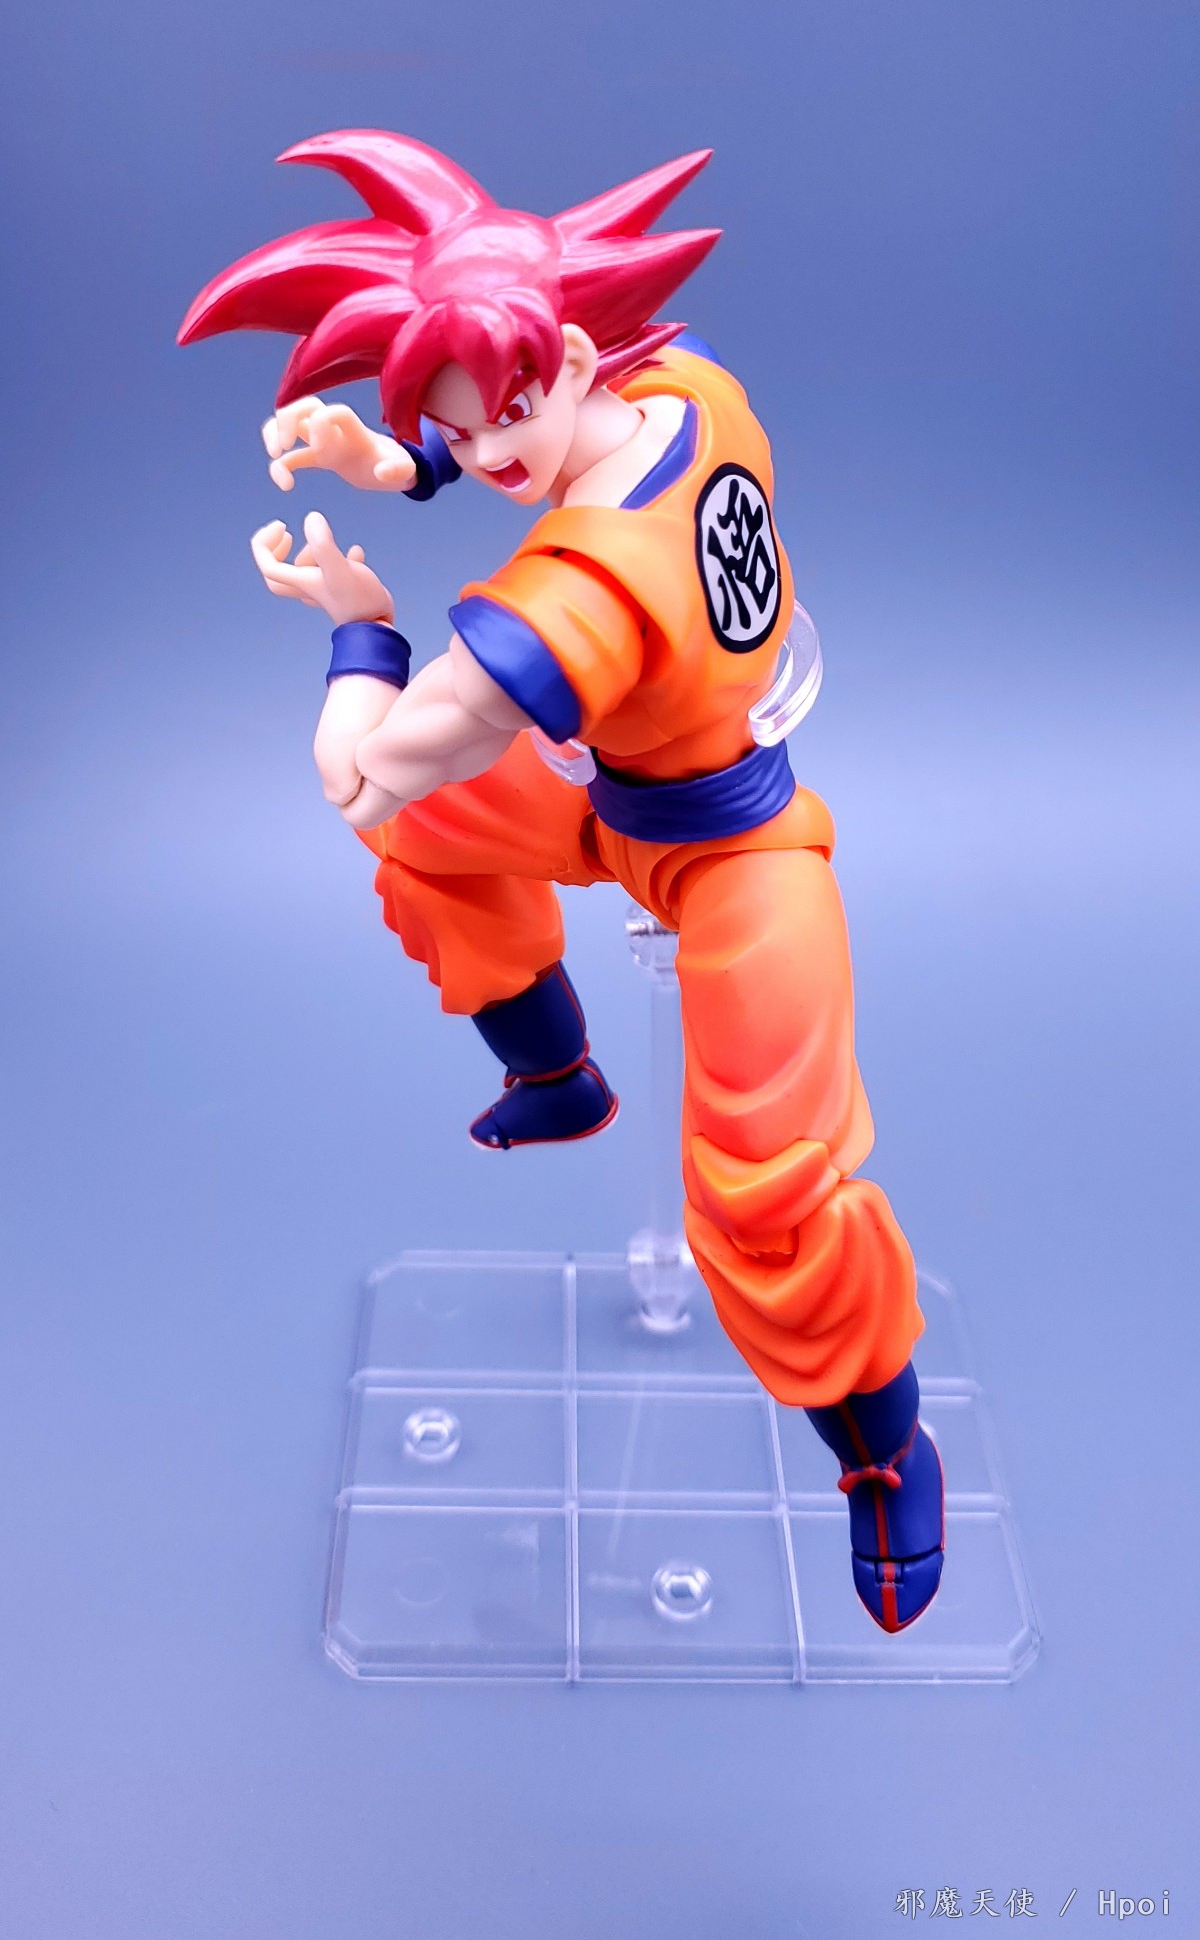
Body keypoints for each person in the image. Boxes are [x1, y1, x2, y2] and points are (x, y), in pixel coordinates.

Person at [179, 127, 944, 1632]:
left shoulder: (571, 598)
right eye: (458, 430)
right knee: (436, 841)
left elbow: (362, 768)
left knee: (765, 1202)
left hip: (741, 857)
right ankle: (558, 1072)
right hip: (617, 790)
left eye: (502, 414)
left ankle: (884, 1453)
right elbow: (529, 429)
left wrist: (358, 626)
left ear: (576, 356)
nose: (488, 458)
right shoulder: (690, 387)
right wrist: (393, 457)